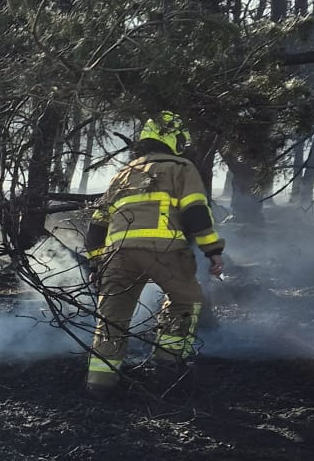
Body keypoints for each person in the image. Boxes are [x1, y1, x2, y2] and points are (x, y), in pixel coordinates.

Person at [82, 113, 227, 394]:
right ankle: (168, 371)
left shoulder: (122, 175)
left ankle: (99, 384)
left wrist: (96, 263)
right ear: (172, 139)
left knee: (111, 319)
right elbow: (196, 212)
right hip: (166, 251)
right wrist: (213, 251)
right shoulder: (181, 167)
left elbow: (97, 224)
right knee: (185, 301)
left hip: (118, 255)